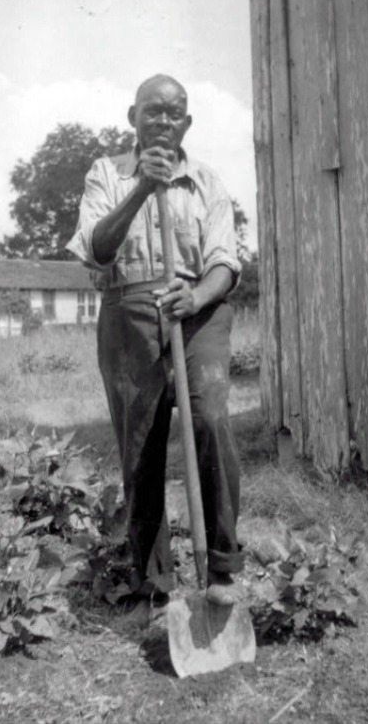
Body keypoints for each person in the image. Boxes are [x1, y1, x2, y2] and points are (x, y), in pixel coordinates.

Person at [67, 74, 244, 605]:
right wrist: (143, 187)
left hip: (197, 310)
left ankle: (222, 570)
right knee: (140, 445)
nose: (163, 122)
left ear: (186, 123)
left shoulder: (207, 181)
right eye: (153, 112)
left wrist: (195, 297)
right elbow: (97, 250)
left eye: (174, 113)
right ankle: (155, 583)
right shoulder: (106, 174)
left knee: (210, 416)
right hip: (129, 311)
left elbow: (225, 263)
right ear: (132, 118)